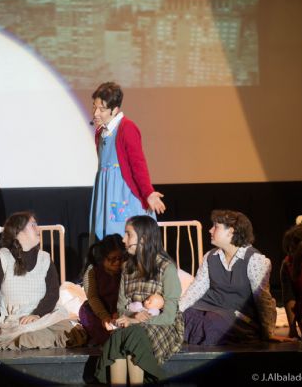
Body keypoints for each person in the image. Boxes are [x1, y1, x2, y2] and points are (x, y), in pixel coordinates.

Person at [95, 215, 184, 385]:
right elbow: (121, 308)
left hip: (161, 325)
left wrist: (137, 320)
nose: (123, 239)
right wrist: (132, 317)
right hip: (133, 325)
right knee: (121, 334)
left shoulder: (166, 268)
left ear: (143, 239)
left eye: (128, 234)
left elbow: (169, 316)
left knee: (132, 334)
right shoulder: (127, 268)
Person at [179, 210, 288, 345]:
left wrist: (268, 333)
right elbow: (195, 290)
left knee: (214, 324)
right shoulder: (210, 257)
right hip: (209, 309)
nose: (210, 230)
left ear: (231, 231)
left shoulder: (255, 260)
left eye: (216, 227)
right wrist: (176, 312)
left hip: (237, 317)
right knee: (183, 316)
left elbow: (263, 299)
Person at [0, 212, 75, 349]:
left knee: (69, 330)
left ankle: (40, 338)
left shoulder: (44, 258)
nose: (38, 228)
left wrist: (37, 314)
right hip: (16, 322)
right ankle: (31, 340)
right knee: (28, 337)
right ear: (18, 231)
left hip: (43, 317)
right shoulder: (0, 258)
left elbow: (52, 293)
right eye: (33, 225)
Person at [89, 82, 165, 243]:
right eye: (94, 107)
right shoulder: (100, 132)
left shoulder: (126, 128)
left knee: (125, 238)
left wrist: (148, 193)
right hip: (105, 193)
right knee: (105, 240)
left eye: (102, 109)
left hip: (123, 194)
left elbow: (138, 164)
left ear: (115, 109)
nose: (96, 113)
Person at [79, 234, 124, 345]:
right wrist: (105, 317)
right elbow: (93, 297)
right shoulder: (92, 271)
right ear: (103, 258)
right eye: (112, 259)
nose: (117, 262)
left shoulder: (127, 269)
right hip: (100, 311)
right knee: (86, 314)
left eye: (120, 258)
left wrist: (119, 312)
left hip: (122, 310)